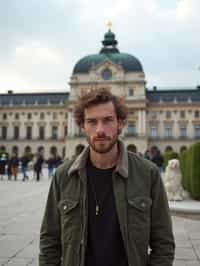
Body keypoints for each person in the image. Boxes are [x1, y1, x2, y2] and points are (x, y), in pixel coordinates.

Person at [39, 88, 175, 266]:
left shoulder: (147, 174)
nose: (100, 130)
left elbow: (163, 242)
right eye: (92, 122)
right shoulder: (64, 175)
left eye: (108, 120)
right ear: (82, 126)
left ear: (120, 123)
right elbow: (50, 240)